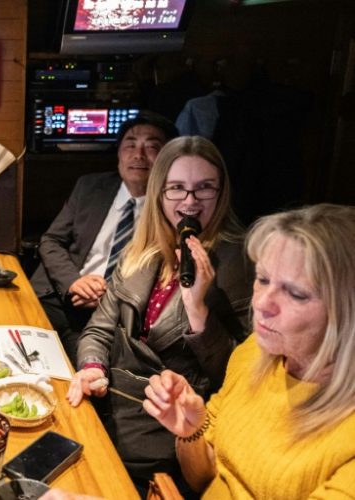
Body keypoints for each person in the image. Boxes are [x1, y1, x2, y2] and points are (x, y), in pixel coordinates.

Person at [66, 136, 253, 492]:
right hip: (104, 409)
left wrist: (198, 310)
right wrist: (92, 368)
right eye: (177, 188)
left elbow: (239, 377)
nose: (189, 201)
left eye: (204, 188)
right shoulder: (144, 248)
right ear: (159, 193)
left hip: (163, 437)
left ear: (222, 192)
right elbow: (99, 330)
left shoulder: (239, 261)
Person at [144, 204, 355, 498]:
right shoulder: (255, 352)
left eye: (295, 293)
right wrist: (190, 432)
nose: (261, 304)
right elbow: (204, 481)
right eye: (263, 279)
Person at [30, 112, 179, 364]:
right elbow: (51, 241)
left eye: (152, 147)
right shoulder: (90, 187)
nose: (138, 155)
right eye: (130, 145)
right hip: (60, 297)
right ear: (119, 153)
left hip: (113, 318)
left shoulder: (172, 209)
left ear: (168, 158)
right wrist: (73, 283)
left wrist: (110, 296)